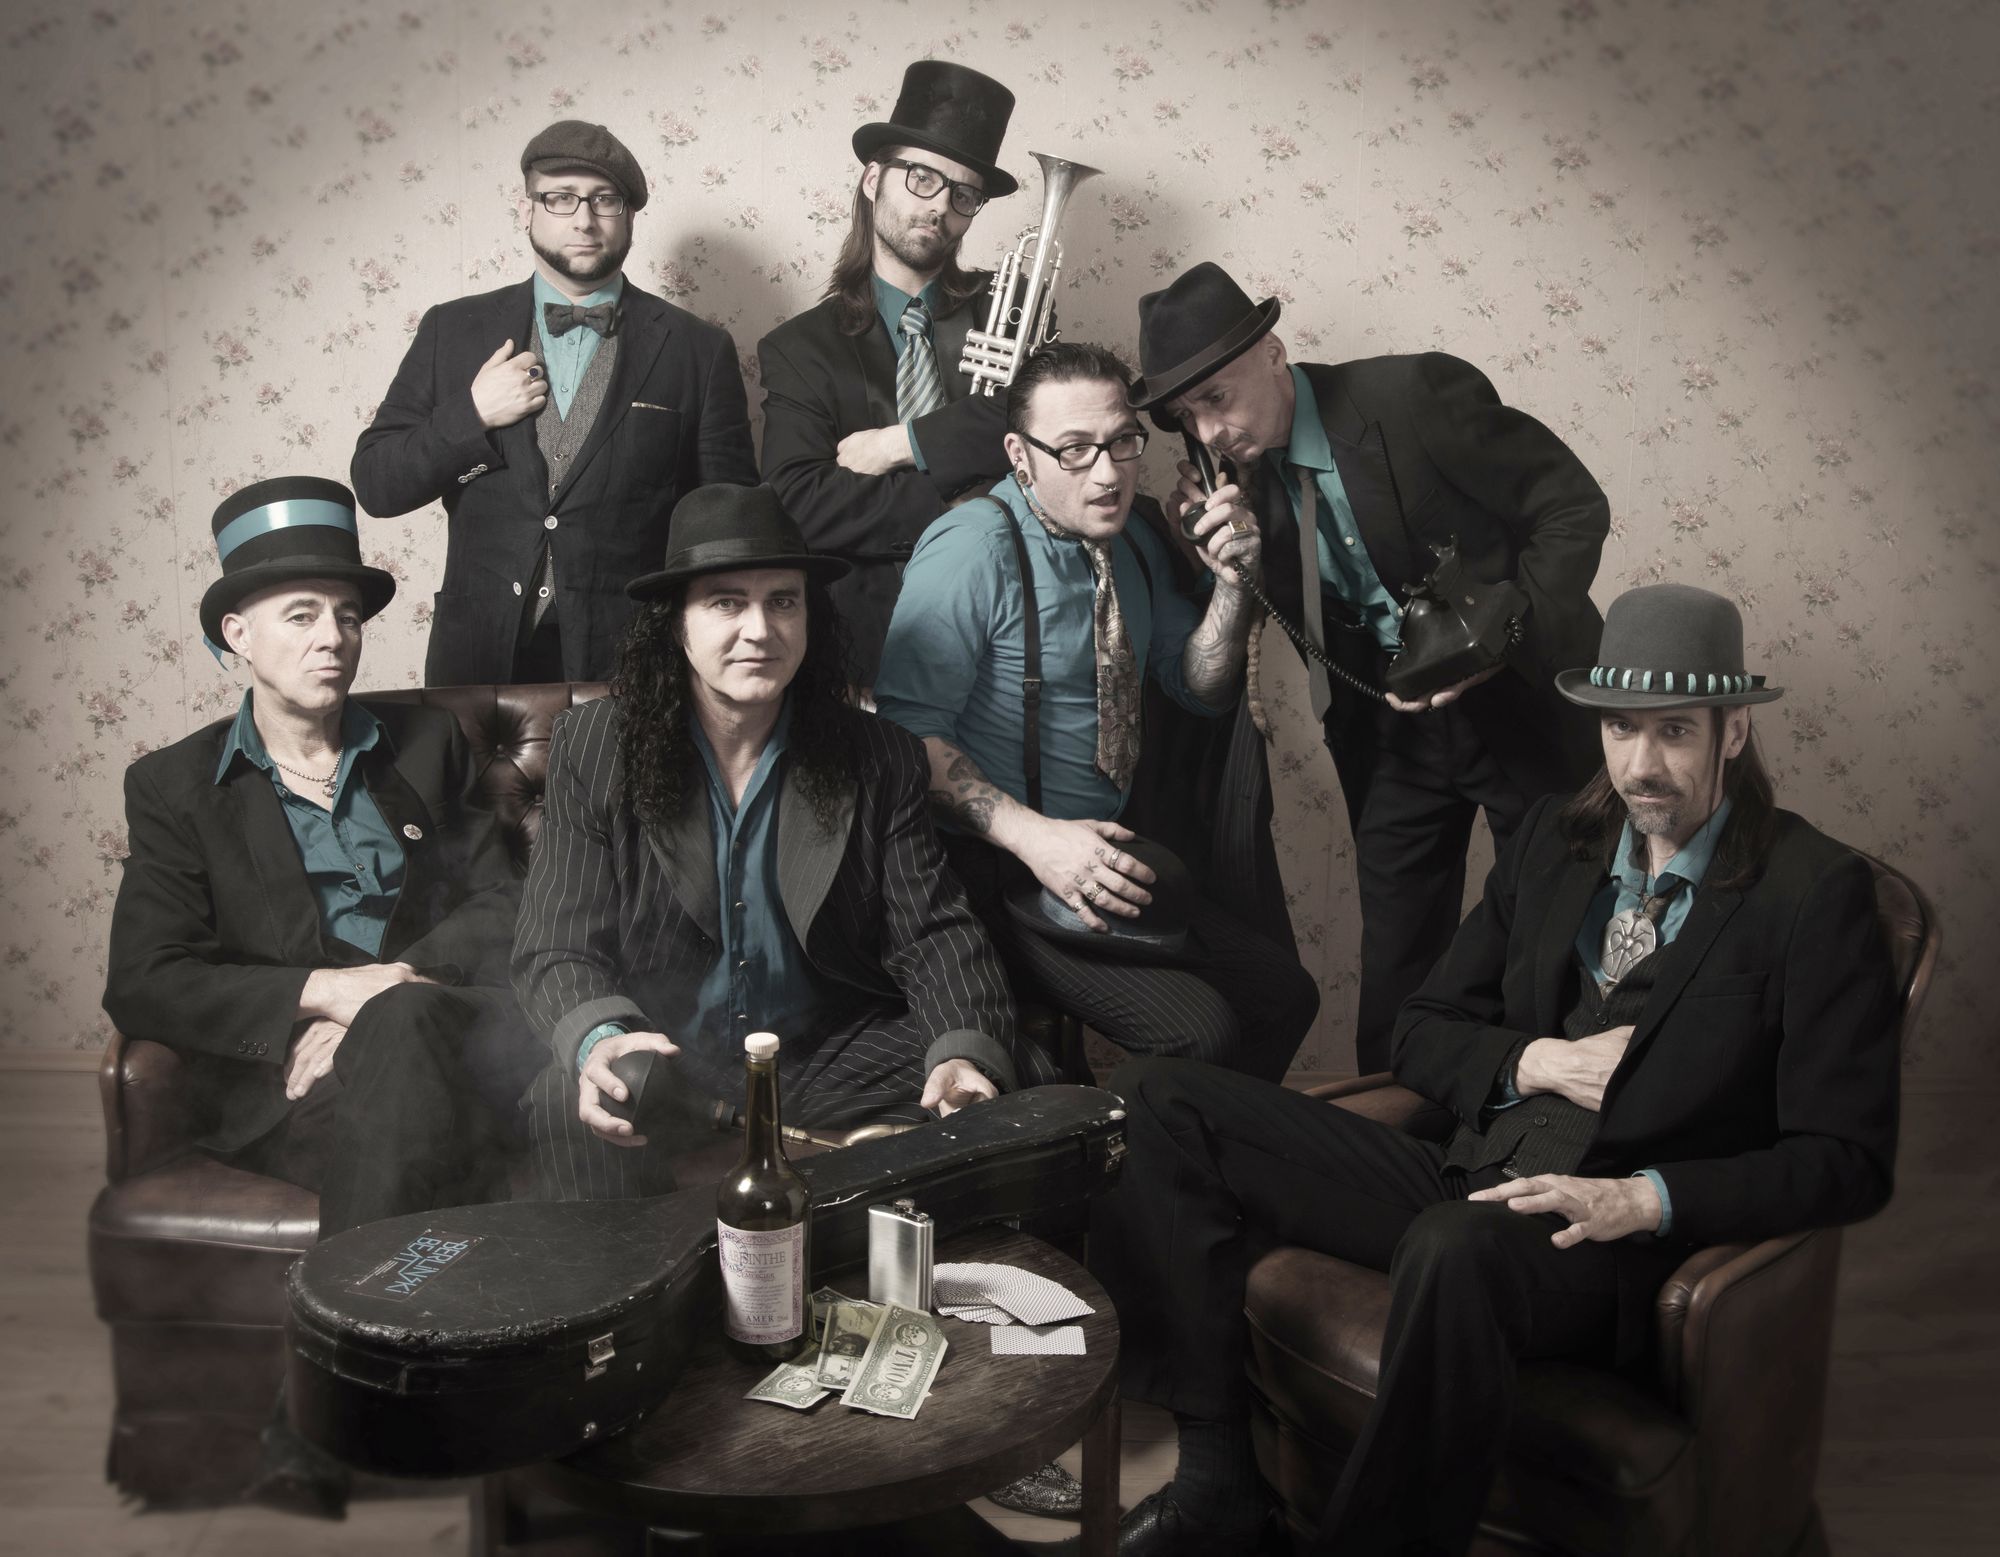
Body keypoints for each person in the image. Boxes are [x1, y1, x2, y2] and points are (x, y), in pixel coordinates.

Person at [1083, 583, 1901, 1556]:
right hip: (1467, 1171)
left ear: (1733, 733)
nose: (1641, 765)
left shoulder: (1813, 892)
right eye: (1620, 728)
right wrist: (1538, 1059)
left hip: (1605, 1243)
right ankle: (1218, 1482)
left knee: (1454, 1245)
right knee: (1149, 1098)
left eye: (1675, 731)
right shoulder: (1558, 838)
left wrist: (1640, 1200)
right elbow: (1423, 1029)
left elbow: (1845, 1158)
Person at [102, 477, 545, 1515]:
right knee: (401, 1048)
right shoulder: (175, 787)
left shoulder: (426, 745)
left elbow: (505, 905)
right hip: (298, 1089)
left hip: (456, 1031)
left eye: (346, 616)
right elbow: (145, 978)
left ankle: (311, 1420)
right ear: (238, 635)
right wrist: (326, 994)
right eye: (301, 615)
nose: (333, 639)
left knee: (405, 1019)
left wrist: (381, 990)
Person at [513, 483, 1056, 1200]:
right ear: (675, 624)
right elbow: (556, 946)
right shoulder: (594, 746)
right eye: (726, 603)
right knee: (570, 1099)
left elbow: (933, 934)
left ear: (809, 617)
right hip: (669, 1051)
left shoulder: (880, 755)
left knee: (1019, 1071)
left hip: (827, 1050)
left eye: (783, 601)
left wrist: (964, 1054)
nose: (760, 630)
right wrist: (603, 1039)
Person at [1131, 262, 1610, 1074]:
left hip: (1519, 700)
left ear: (1273, 354)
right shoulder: (1235, 486)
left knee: (1547, 939)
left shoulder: (1413, 398)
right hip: (1388, 731)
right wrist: (1229, 558)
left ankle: (1531, 1124)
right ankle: (1388, 1135)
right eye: (1187, 416)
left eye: (1216, 397)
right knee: (1397, 962)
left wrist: (1505, 634)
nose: (1208, 432)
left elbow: (1571, 506)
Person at [874, 342, 1319, 1084]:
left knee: (1284, 996)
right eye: (1075, 449)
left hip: (1101, 858)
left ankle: (1196, 1152)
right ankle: (1130, 1159)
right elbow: (902, 737)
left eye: (1122, 443)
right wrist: (1037, 839)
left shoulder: (1134, 538)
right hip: (993, 872)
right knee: (1201, 1033)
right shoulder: (971, 546)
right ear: (1020, 455)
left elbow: (1198, 687)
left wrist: (1232, 586)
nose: (1108, 473)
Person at [351, 119, 757, 687]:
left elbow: (729, 529)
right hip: (478, 658)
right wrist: (472, 414)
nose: (584, 220)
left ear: (630, 217)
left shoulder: (699, 349)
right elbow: (377, 484)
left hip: (633, 662)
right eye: (561, 198)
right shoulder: (453, 330)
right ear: (527, 211)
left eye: (604, 200)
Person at [758, 59, 1022, 683]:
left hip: (1010, 630)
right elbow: (798, 503)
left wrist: (901, 444)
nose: (941, 208)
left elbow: (1040, 427)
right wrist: (956, 501)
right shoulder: (798, 348)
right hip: (866, 646)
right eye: (922, 179)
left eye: (964, 195)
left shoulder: (1011, 309)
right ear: (874, 179)